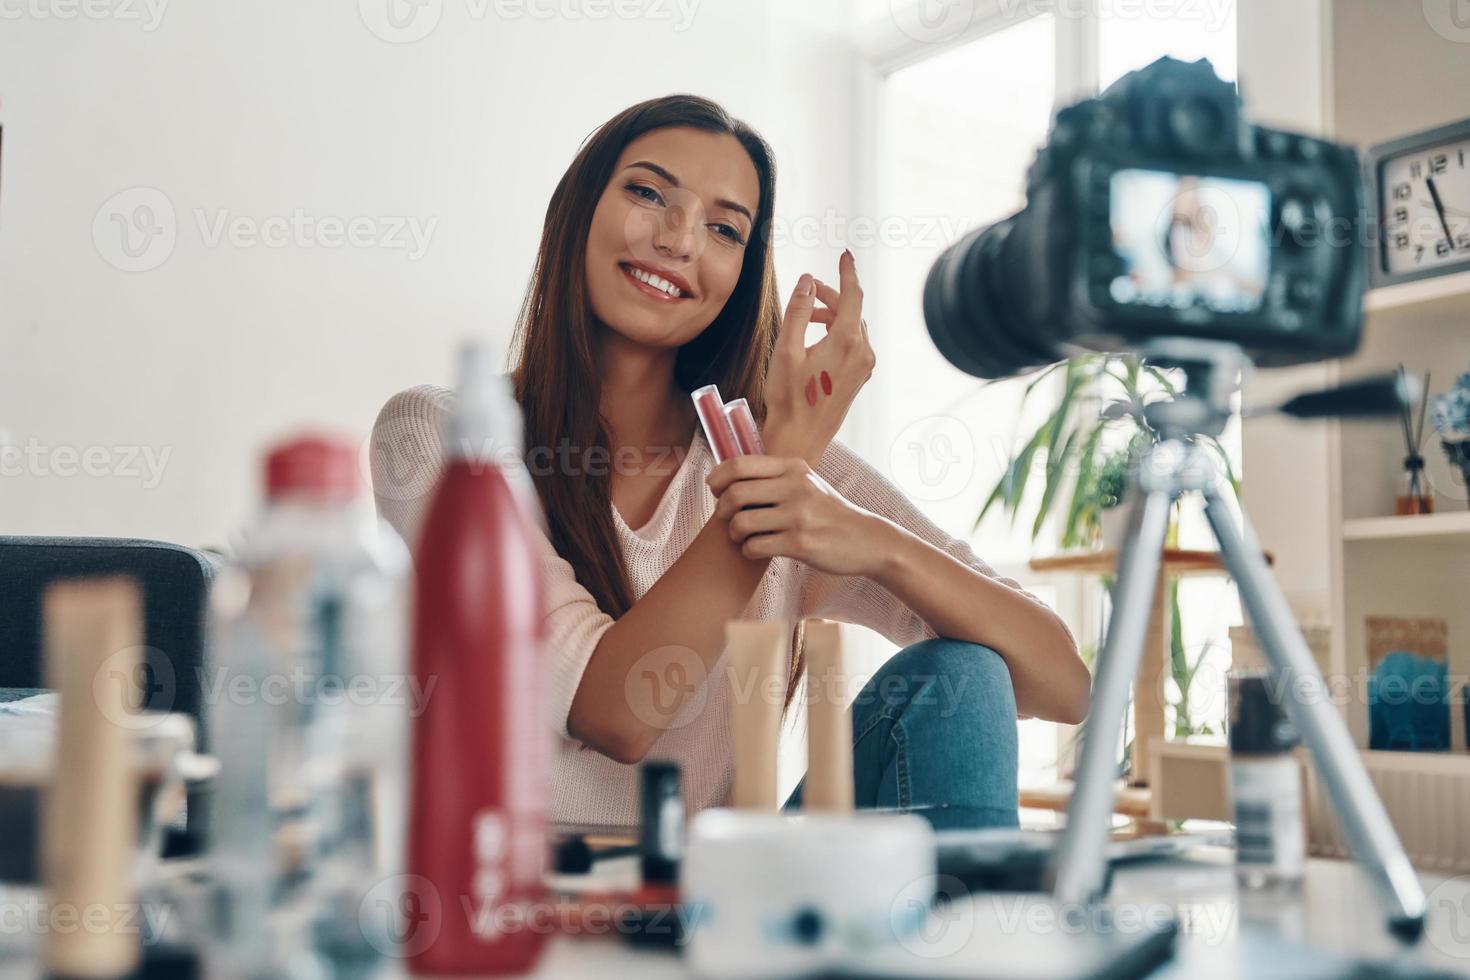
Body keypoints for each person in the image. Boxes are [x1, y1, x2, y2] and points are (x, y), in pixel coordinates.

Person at [370, 94, 1088, 832]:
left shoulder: (787, 460)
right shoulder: (441, 434)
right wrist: (778, 471)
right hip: (523, 896)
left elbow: (1061, 685)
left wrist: (878, 543)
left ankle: (963, 946)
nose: (679, 240)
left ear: (744, 272)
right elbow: (614, 715)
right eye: (649, 193)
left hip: (728, 897)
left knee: (962, 672)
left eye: (724, 228)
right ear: (578, 210)